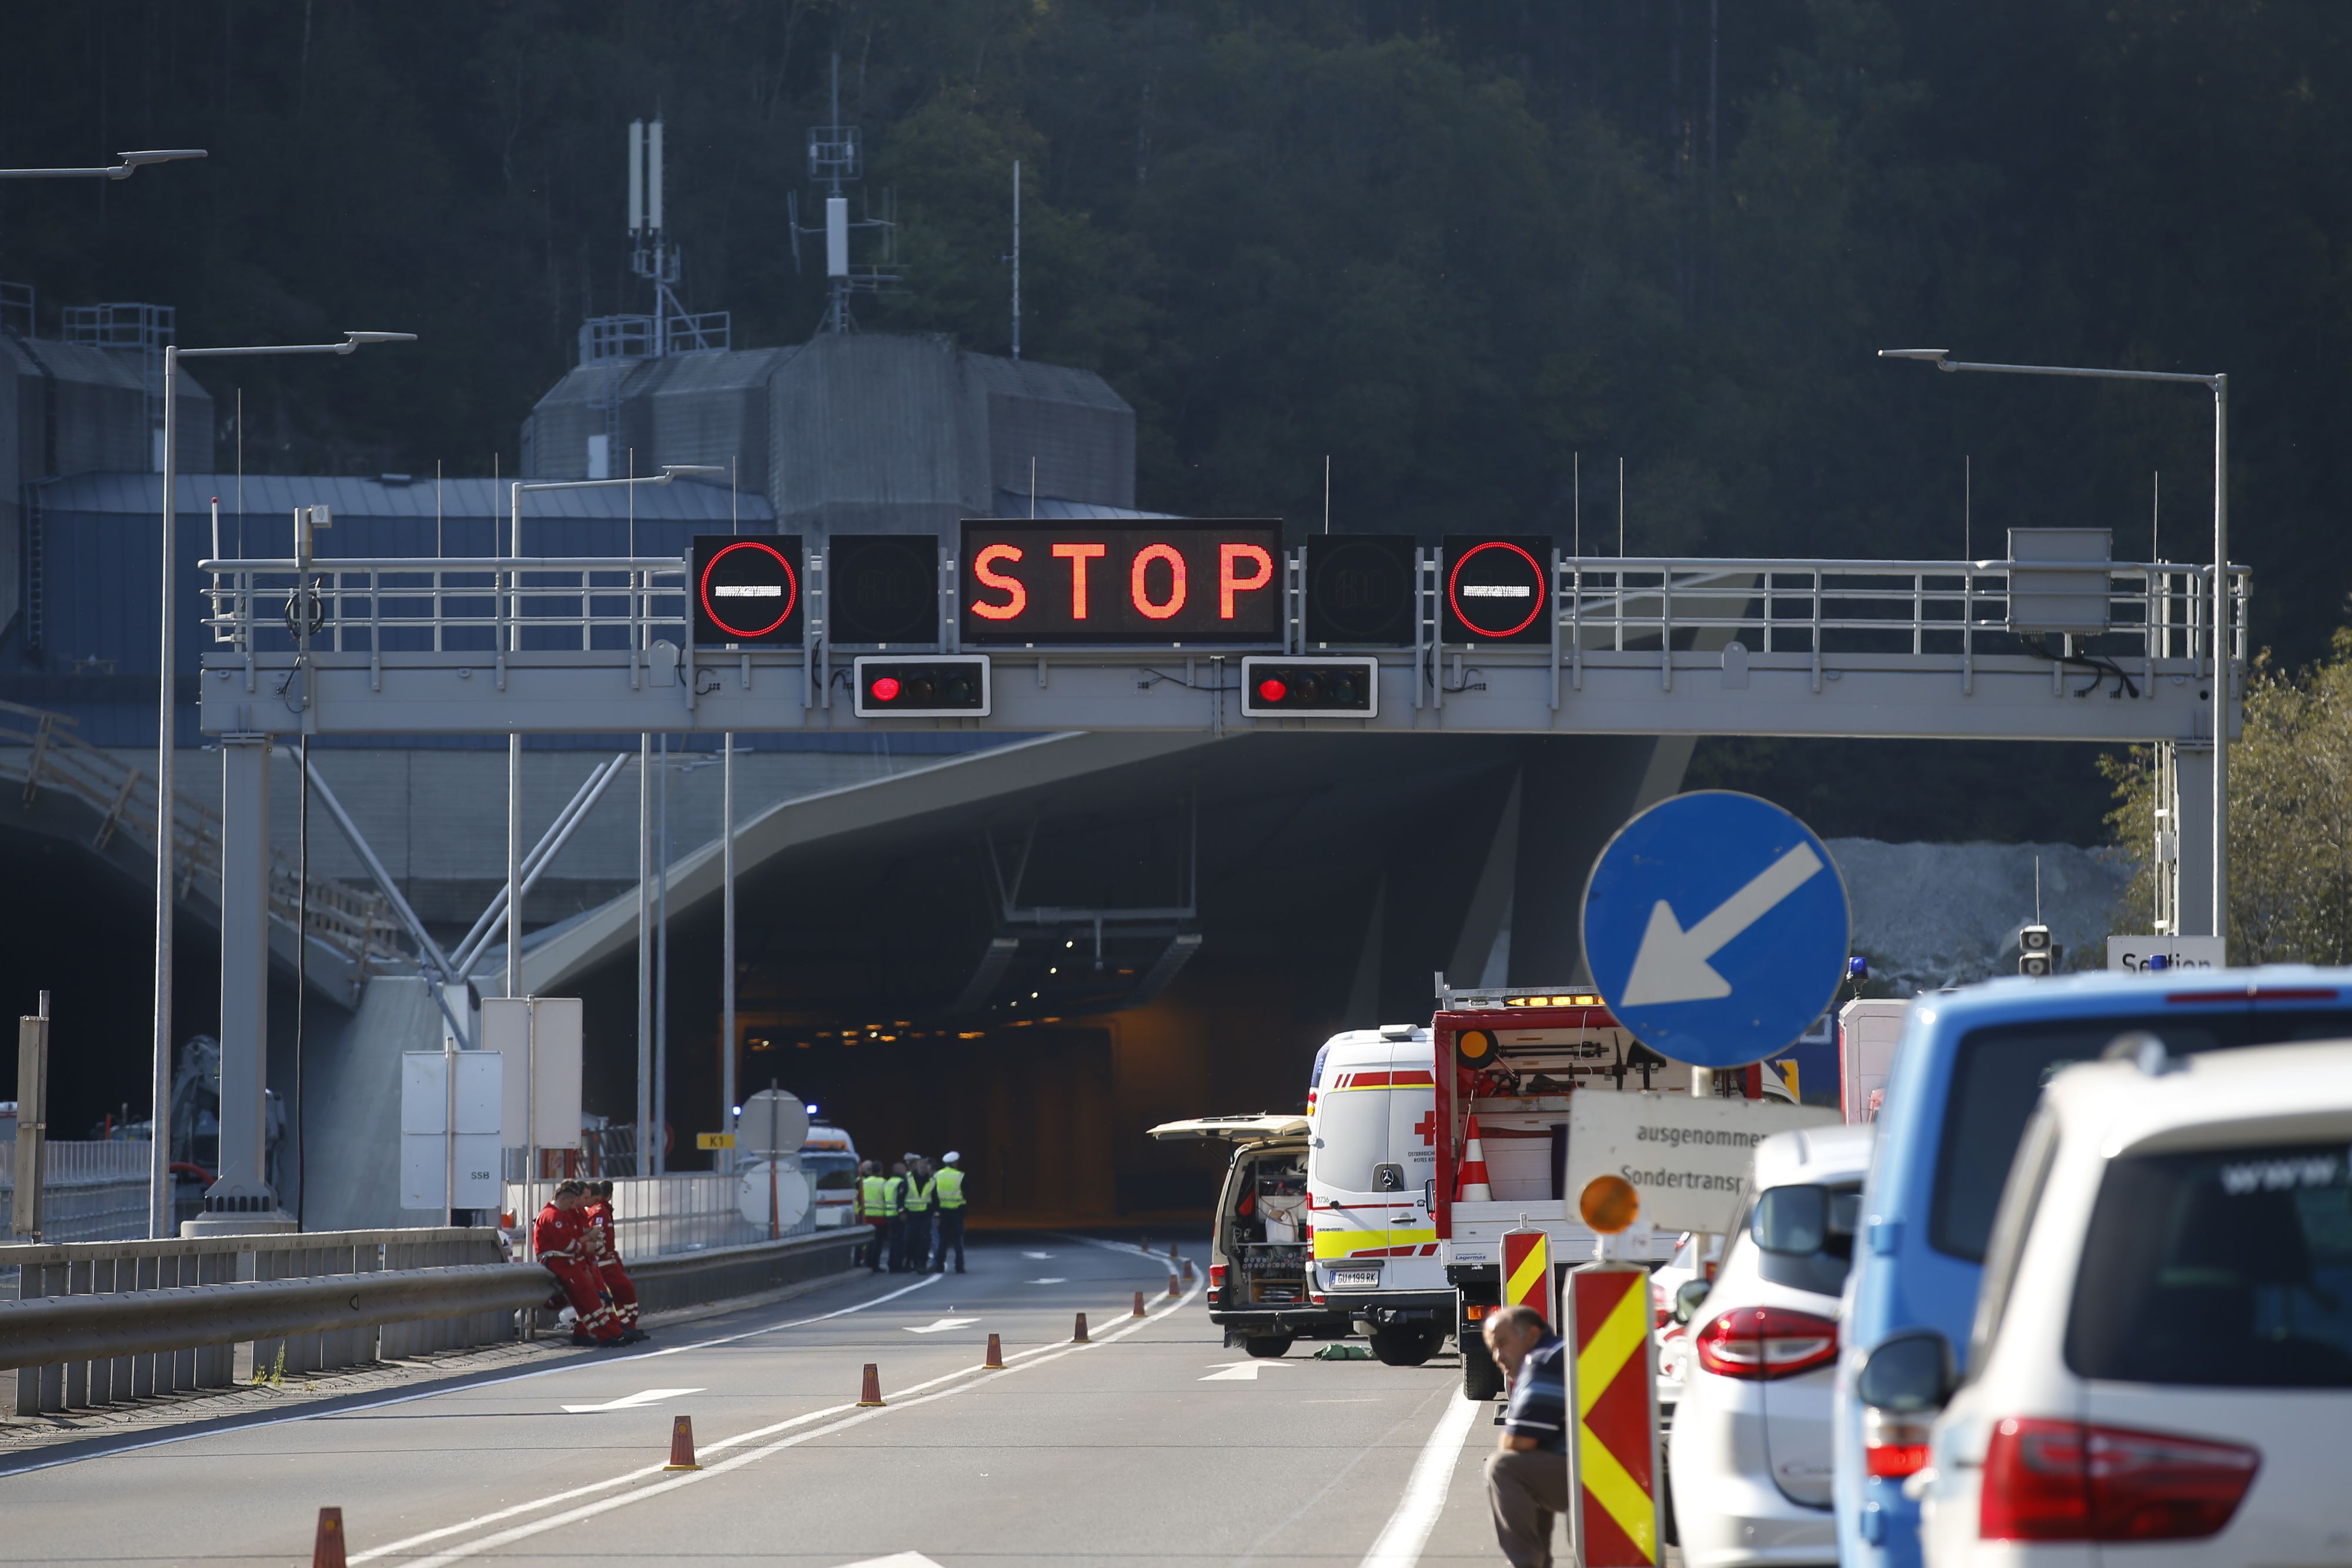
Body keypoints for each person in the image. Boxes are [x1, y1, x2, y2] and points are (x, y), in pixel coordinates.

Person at [1483, 1303, 1569, 1567]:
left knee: (1504, 1468)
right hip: (1626, 1466)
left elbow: (1518, 1442)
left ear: (1532, 1335)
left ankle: (1528, 1564)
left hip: (1602, 1475)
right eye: (1493, 1349)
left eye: (1503, 1343)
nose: (1498, 1356)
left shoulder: (1542, 1361)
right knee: (1530, 1463)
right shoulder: (1561, 1351)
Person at [533, 1180, 624, 1346]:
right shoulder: (553, 1216)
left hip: (569, 1261)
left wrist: (586, 1241)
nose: (572, 1206)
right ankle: (610, 1333)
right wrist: (587, 1245)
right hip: (560, 1262)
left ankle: (609, 1333)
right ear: (564, 1199)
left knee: (587, 1298)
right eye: (571, 1202)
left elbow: (572, 1238)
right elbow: (566, 1244)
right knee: (588, 1297)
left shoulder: (560, 1215)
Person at [584, 1179, 649, 1344]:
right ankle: (624, 1327)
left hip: (606, 1261)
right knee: (624, 1292)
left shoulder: (602, 1210)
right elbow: (599, 1238)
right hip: (603, 1263)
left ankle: (627, 1327)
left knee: (617, 1297)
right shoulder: (600, 1211)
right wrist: (604, 1256)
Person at [931, 1151, 967, 1273]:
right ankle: (959, 1266)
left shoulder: (937, 1175)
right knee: (958, 1240)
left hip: (942, 1212)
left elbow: (933, 1194)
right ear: (955, 1163)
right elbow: (966, 1194)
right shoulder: (960, 1176)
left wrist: (936, 1211)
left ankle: (939, 1265)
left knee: (943, 1240)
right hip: (956, 1212)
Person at [901, 1156, 936, 1276]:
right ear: (917, 1166)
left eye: (925, 1167)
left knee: (924, 1241)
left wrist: (936, 1213)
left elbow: (935, 1199)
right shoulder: (908, 1179)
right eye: (921, 1166)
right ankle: (908, 1262)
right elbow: (900, 1197)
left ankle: (921, 1264)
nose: (923, 1169)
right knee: (910, 1240)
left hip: (925, 1216)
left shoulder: (931, 1181)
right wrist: (902, 1211)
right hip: (911, 1216)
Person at [856, 1159, 891, 1272]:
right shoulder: (884, 1183)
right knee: (878, 1243)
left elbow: (859, 1199)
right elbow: (887, 1198)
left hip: (867, 1216)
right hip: (880, 1217)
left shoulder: (864, 1182)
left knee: (867, 1241)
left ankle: (866, 1262)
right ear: (880, 1171)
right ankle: (874, 1265)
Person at [885, 1160, 913, 1273]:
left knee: (893, 1241)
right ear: (900, 1171)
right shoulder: (901, 1182)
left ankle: (892, 1264)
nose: (906, 1171)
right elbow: (900, 1199)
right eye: (904, 1169)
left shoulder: (888, 1182)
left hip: (889, 1215)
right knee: (900, 1242)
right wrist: (903, 1212)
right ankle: (898, 1265)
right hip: (898, 1216)